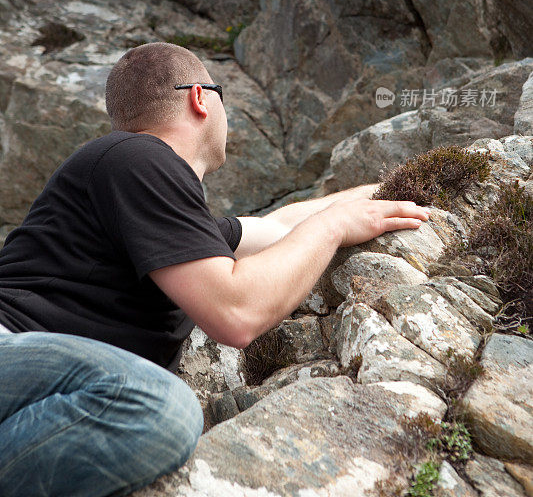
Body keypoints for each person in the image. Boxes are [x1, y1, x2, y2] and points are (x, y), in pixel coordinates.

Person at [0, 42, 430, 496]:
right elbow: (235, 311)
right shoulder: (139, 158)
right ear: (201, 97)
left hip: (49, 386)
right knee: (160, 406)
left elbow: (278, 226)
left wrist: (393, 192)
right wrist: (335, 227)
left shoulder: (155, 200)